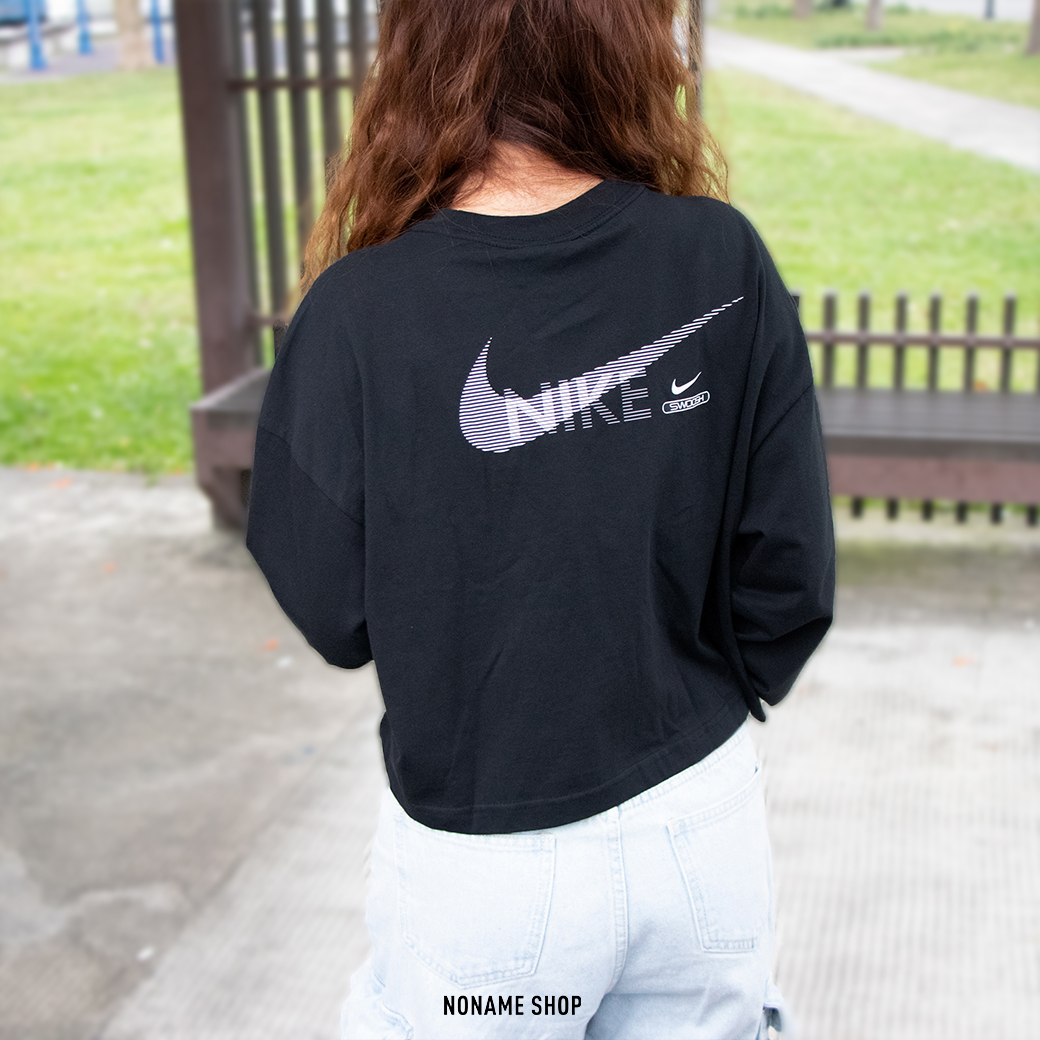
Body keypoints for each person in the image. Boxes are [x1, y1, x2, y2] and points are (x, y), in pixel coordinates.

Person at [245, 0, 835, 1036]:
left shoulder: (357, 308)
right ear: (624, 40)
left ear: (419, 50)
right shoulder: (717, 256)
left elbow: (332, 606)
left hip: (492, 874)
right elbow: (785, 569)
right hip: (699, 829)